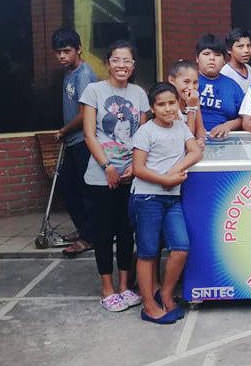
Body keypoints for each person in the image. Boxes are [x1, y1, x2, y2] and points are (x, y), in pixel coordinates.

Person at [129, 83, 202, 324]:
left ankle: (166, 293)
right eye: (161, 104)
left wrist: (175, 169)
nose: (168, 108)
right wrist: (166, 180)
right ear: (152, 108)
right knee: (148, 253)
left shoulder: (181, 127)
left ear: (179, 104)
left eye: (172, 103)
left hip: (172, 200)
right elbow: (138, 169)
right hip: (147, 198)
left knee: (181, 247)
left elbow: (195, 152)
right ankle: (149, 305)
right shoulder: (145, 132)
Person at [82, 41, 147, 313]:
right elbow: (88, 134)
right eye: (116, 60)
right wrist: (107, 165)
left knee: (125, 232)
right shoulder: (94, 91)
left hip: (131, 175)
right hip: (101, 175)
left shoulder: (139, 93)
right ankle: (107, 289)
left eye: (127, 61)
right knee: (104, 233)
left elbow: (143, 136)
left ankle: (124, 287)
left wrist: (134, 165)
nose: (122, 65)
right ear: (108, 63)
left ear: (133, 66)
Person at [52, 28, 97, 257]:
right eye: (58, 52)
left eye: (66, 51)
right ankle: (84, 230)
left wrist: (64, 130)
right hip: (73, 141)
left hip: (84, 140)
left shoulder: (84, 75)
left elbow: (85, 113)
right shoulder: (69, 73)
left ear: (78, 49)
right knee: (68, 188)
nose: (62, 56)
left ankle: (89, 237)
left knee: (85, 190)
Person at [195, 33, 245, 139]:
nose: (212, 58)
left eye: (217, 55)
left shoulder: (233, 86)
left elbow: (244, 118)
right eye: (206, 54)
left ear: (224, 61)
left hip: (225, 143)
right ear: (197, 58)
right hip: (192, 144)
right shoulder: (188, 82)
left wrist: (227, 126)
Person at [166, 60, 204, 139]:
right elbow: (186, 138)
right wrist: (191, 108)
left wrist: (201, 140)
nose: (191, 87)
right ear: (172, 80)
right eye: (186, 82)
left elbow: (200, 129)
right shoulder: (170, 104)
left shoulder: (194, 100)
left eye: (195, 82)